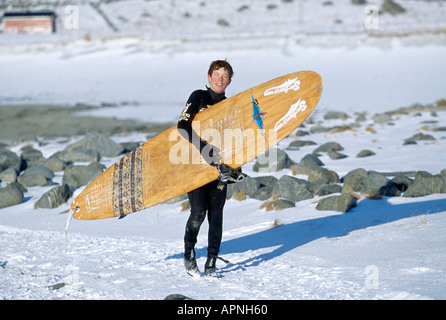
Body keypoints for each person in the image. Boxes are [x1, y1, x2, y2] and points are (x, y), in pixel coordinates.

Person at [177, 59, 241, 277]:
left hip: (219, 170)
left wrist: (235, 168)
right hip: (195, 165)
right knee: (198, 213)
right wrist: (204, 148)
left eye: (224, 76)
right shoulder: (199, 97)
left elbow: (234, 141)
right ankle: (189, 255)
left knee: (217, 216)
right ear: (209, 77)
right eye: (216, 74)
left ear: (230, 81)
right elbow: (182, 126)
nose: (220, 79)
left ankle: (211, 262)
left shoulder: (230, 106)